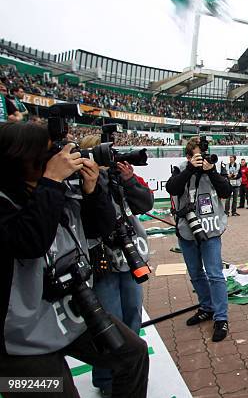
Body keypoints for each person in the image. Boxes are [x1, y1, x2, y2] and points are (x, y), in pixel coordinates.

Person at [0, 122, 149, 397]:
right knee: (54, 389)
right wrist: (51, 182)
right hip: (16, 335)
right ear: (21, 157)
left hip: (67, 308)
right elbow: (31, 242)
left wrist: (92, 191)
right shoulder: (12, 198)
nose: (60, 157)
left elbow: (100, 228)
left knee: (133, 355)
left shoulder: (57, 188)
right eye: (49, 153)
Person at [80, 135, 154, 397]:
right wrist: (95, 177)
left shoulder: (117, 178)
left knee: (133, 312)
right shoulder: (83, 180)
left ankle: (128, 370)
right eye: (109, 154)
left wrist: (129, 180)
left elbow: (146, 203)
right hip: (102, 261)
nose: (116, 159)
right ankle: (104, 378)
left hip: (128, 257)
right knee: (109, 319)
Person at [166, 137, 232, 342]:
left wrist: (210, 170)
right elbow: (172, 188)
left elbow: (226, 191)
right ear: (188, 156)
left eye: (203, 155)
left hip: (211, 229)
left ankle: (221, 318)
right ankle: (206, 307)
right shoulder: (180, 168)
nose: (201, 159)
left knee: (214, 273)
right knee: (195, 273)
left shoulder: (214, 166)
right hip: (187, 230)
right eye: (196, 156)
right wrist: (190, 170)